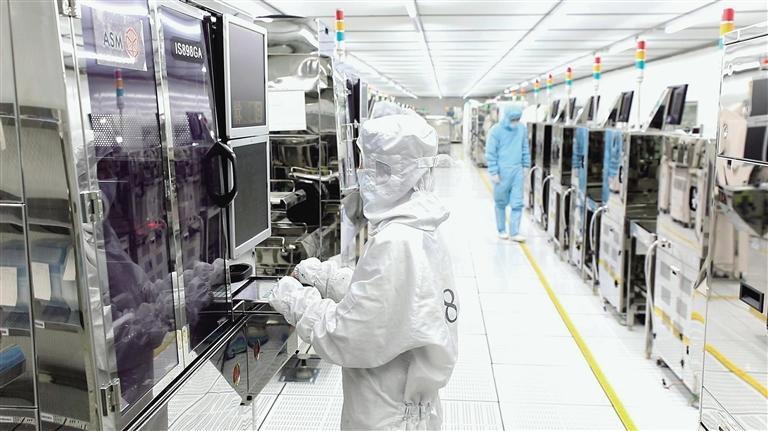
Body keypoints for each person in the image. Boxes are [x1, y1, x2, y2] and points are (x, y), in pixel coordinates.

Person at [269, 101, 459, 430]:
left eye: (373, 167)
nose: (364, 176)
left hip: (385, 412)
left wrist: (296, 301)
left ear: (399, 172)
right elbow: (394, 300)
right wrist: (325, 277)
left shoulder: (396, 242)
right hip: (405, 404)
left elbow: (348, 335)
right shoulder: (419, 226)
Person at [486, 104, 530, 241]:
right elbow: (491, 152)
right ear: (506, 117)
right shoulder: (496, 130)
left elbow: (525, 148)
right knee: (500, 202)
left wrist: (526, 166)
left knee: (517, 203)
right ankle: (501, 230)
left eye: (517, 119)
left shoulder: (521, 129)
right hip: (501, 171)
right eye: (513, 119)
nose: (515, 122)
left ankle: (514, 232)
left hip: (517, 171)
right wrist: (493, 171)